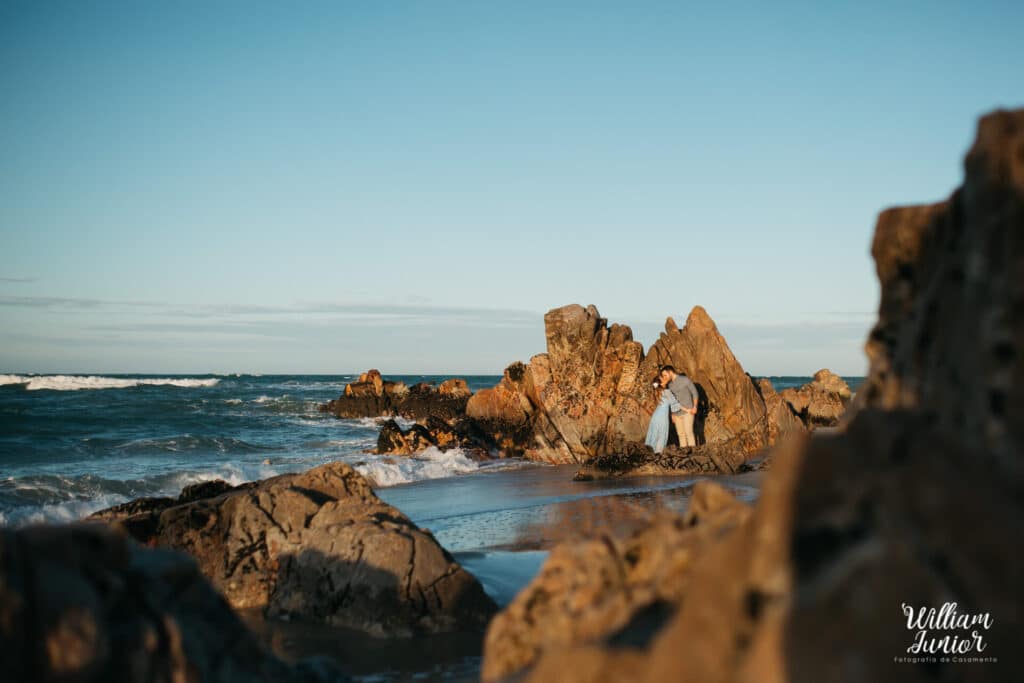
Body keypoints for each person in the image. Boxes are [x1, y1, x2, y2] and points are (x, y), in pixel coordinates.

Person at [658, 365, 698, 448]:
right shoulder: (669, 385)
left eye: (665, 375)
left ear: (670, 372)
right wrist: (672, 414)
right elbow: (671, 400)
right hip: (676, 413)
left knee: (688, 432)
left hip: (688, 410)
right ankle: (684, 454)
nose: (664, 377)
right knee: (680, 434)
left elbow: (694, 393)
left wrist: (695, 407)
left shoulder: (685, 380)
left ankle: (693, 453)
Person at [644, 378, 681, 453]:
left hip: (656, 415)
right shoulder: (666, 392)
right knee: (662, 433)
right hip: (662, 416)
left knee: (654, 432)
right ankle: (658, 452)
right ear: (661, 383)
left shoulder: (656, 392)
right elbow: (675, 404)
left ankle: (650, 450)